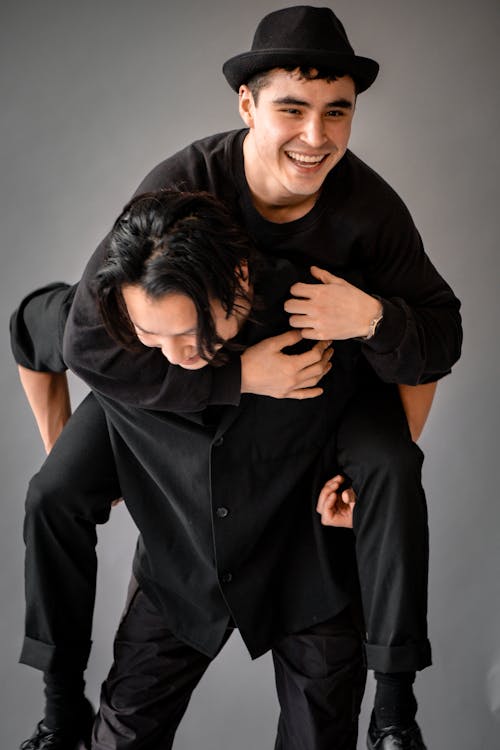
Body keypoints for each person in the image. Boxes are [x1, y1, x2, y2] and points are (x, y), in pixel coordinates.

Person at [11, 6, 462, 749]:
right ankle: (57, 717)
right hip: (192, 436)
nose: (316, 138)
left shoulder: (368, 216)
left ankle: (395, 718)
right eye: (292, 109)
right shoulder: (179, 195)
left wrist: (373, 318)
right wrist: (231, 377)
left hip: (307, 452)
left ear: (246, 284)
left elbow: (436, 341)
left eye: (337, 113)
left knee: (390, 465)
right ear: (247, 105)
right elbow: (68, 337)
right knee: (54, 493)